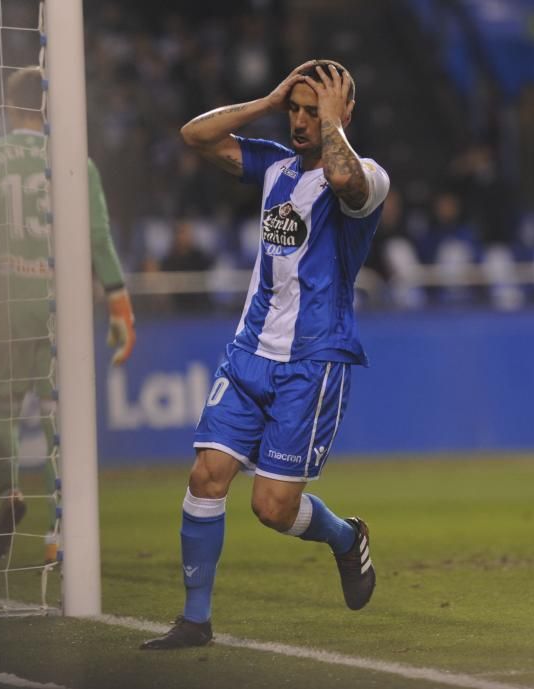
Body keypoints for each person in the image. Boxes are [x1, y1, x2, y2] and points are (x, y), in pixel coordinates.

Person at [140, 59, 390, 650]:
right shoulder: (275, 166)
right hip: (250, 351)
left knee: (273, 508)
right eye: (295, 111)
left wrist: (333, 124)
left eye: (314, 111)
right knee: (206, 475)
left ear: (343, 114)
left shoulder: (369, 179)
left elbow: (344, 180)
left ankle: (343, 537)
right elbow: (195, 137)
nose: (301, 121)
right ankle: (195, 621)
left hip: (313, 361)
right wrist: (268, 99)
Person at [0, 66, 136, 563]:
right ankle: (59, 532)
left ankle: (9, 494)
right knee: (55, 416)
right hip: (57, 306)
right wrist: (120, 305)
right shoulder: (74, 164)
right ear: (48, 106)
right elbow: (99, 239)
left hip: (2, 302)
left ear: (7, 103)